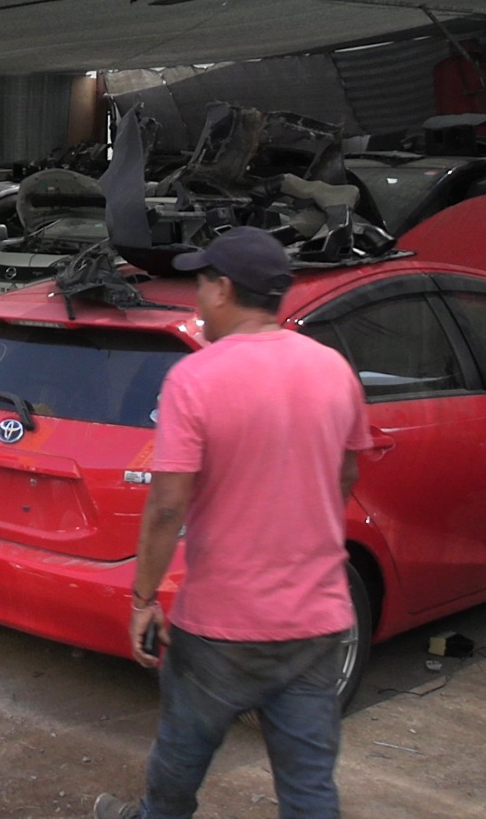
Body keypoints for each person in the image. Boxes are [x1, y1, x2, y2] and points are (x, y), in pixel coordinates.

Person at [94, 227, 371, 819]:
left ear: (222, 289)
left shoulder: (196, 378)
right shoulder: (334, 369)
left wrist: (143, 600)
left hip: (222, 624)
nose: (197, 297)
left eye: (200, 284)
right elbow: (346, 474)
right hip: (317, 618)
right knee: (308, 785)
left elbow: (167, 505)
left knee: (180, 761)